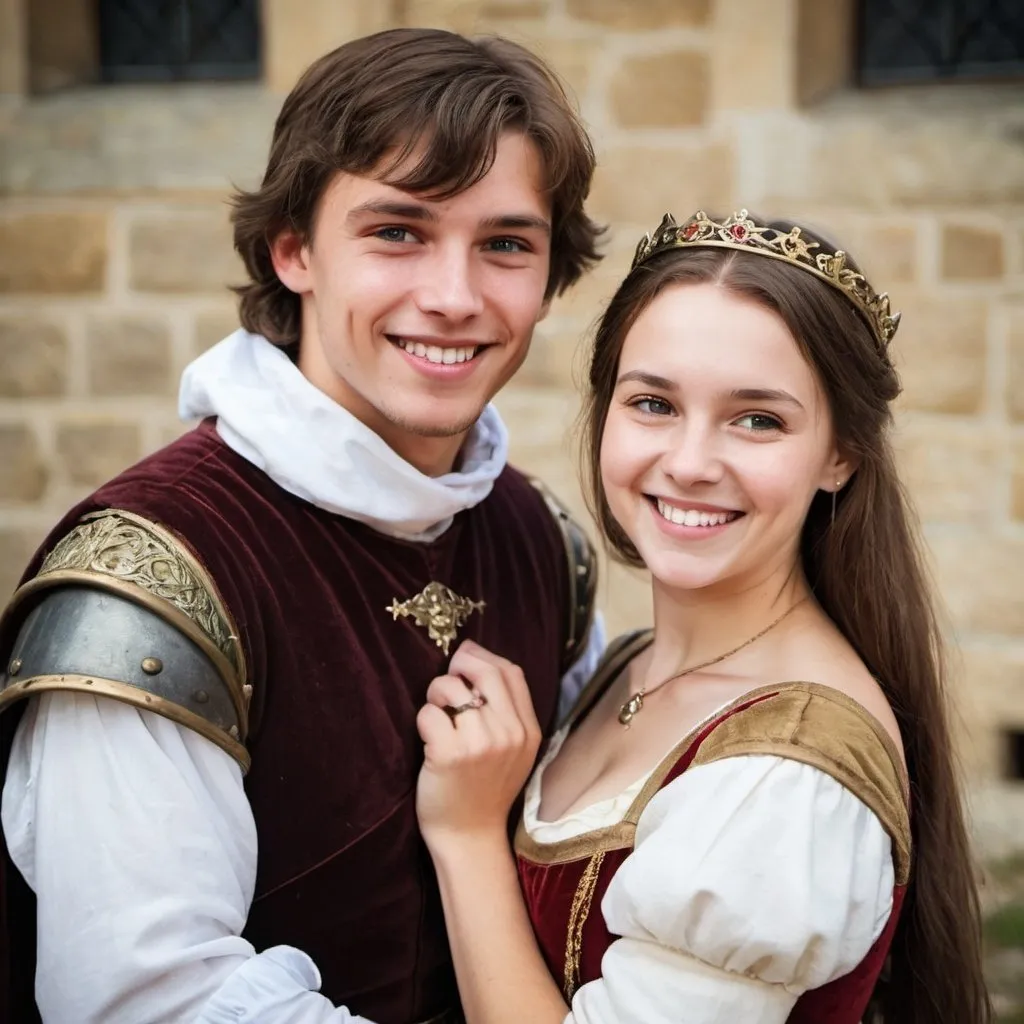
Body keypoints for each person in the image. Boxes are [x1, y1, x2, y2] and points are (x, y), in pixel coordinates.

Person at [0, 27, 607, 1024]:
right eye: (397, 231)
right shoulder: (155, 575)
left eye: (504, 243)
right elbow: (152, 1000)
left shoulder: (542, 540)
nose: (453, 297)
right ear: (294, 251)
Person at [414, 209, 992, 1023]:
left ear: (841, 455)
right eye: (652, 403)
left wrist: (468, 836)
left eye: (758, 420)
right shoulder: (635, 664)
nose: (688, 463)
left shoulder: (784, 782)